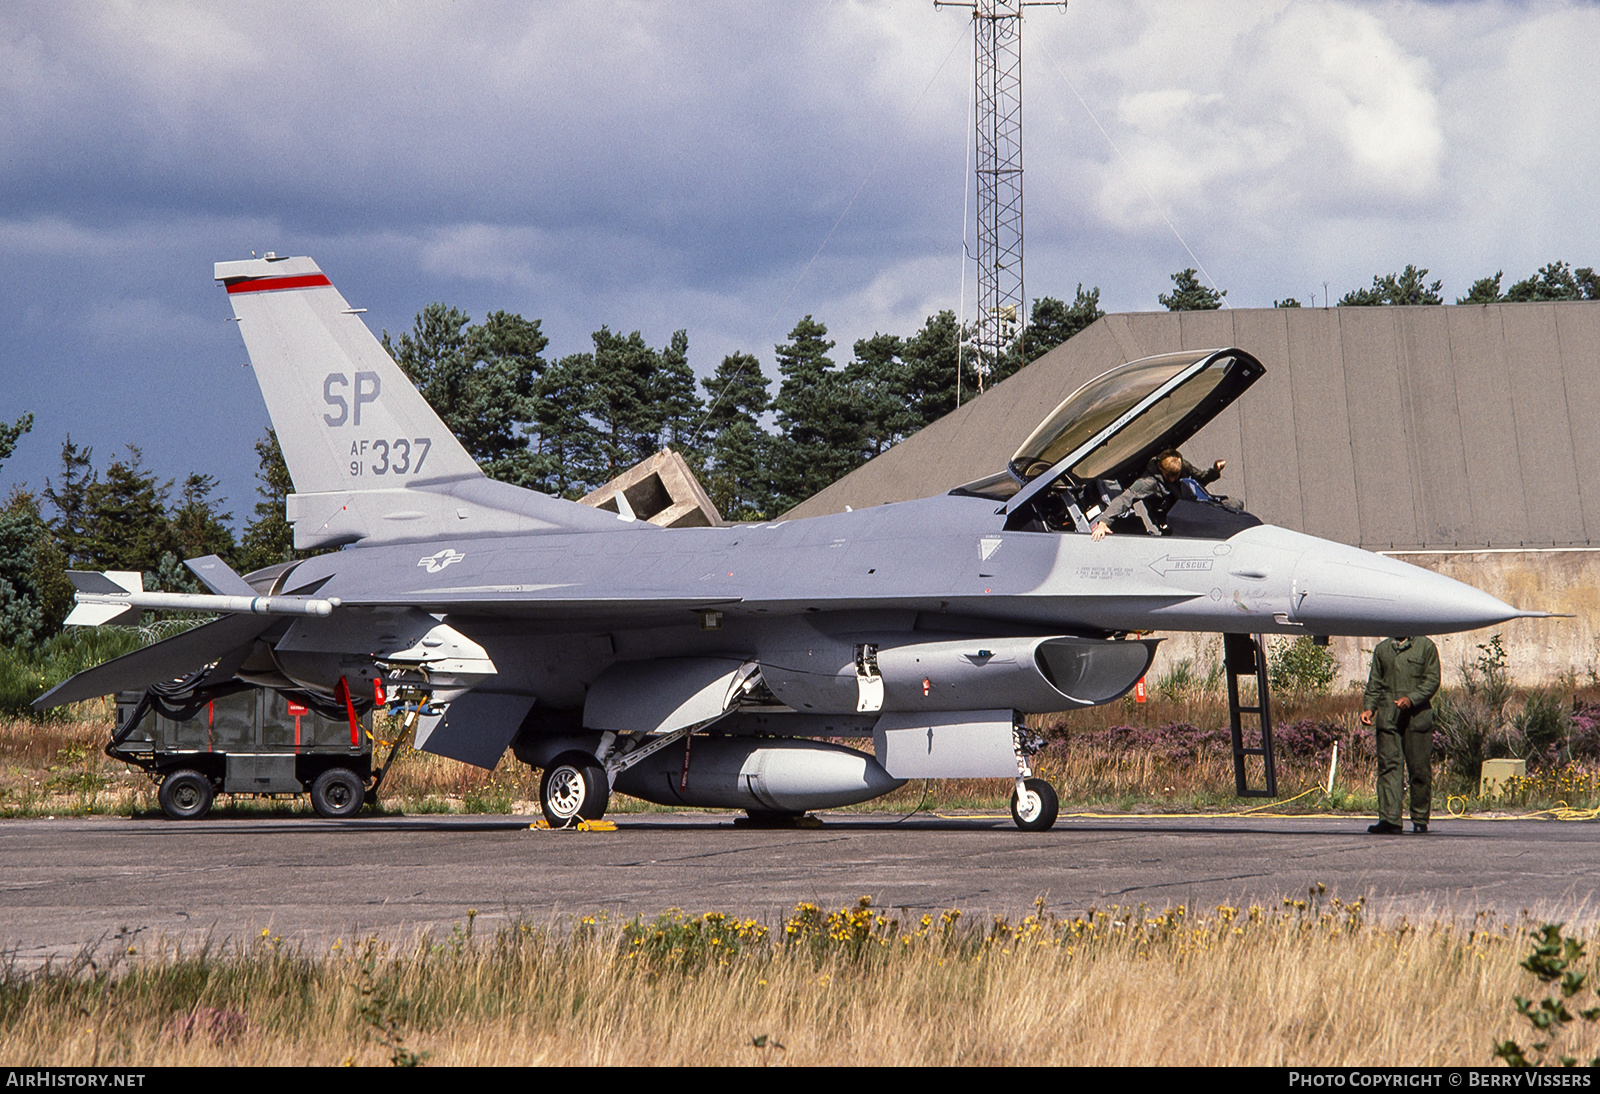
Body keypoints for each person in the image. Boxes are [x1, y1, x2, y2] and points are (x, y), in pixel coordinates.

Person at [1361, 635, 1441, 834]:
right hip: (1388, 716)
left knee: (1419, 769)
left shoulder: (1425, 646)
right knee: (1388, 767)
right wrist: (1369, 709)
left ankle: (1420, 818)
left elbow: (1432, 680)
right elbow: (1375, 683)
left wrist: (1411, 699)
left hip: (1417, 717)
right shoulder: (1382, 649)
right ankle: (1390, 820)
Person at [1089, 449, 1226, 540]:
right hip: (1168, 518)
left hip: (1189, 507)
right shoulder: (1148, 482)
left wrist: (1214, 471)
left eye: (1176, 475)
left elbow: (1200, 479)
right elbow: (1125, 499)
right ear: (1160, 468)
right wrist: (1104, 522)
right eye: (1169, 475)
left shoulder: (1180, 465)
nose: (1173, 479)